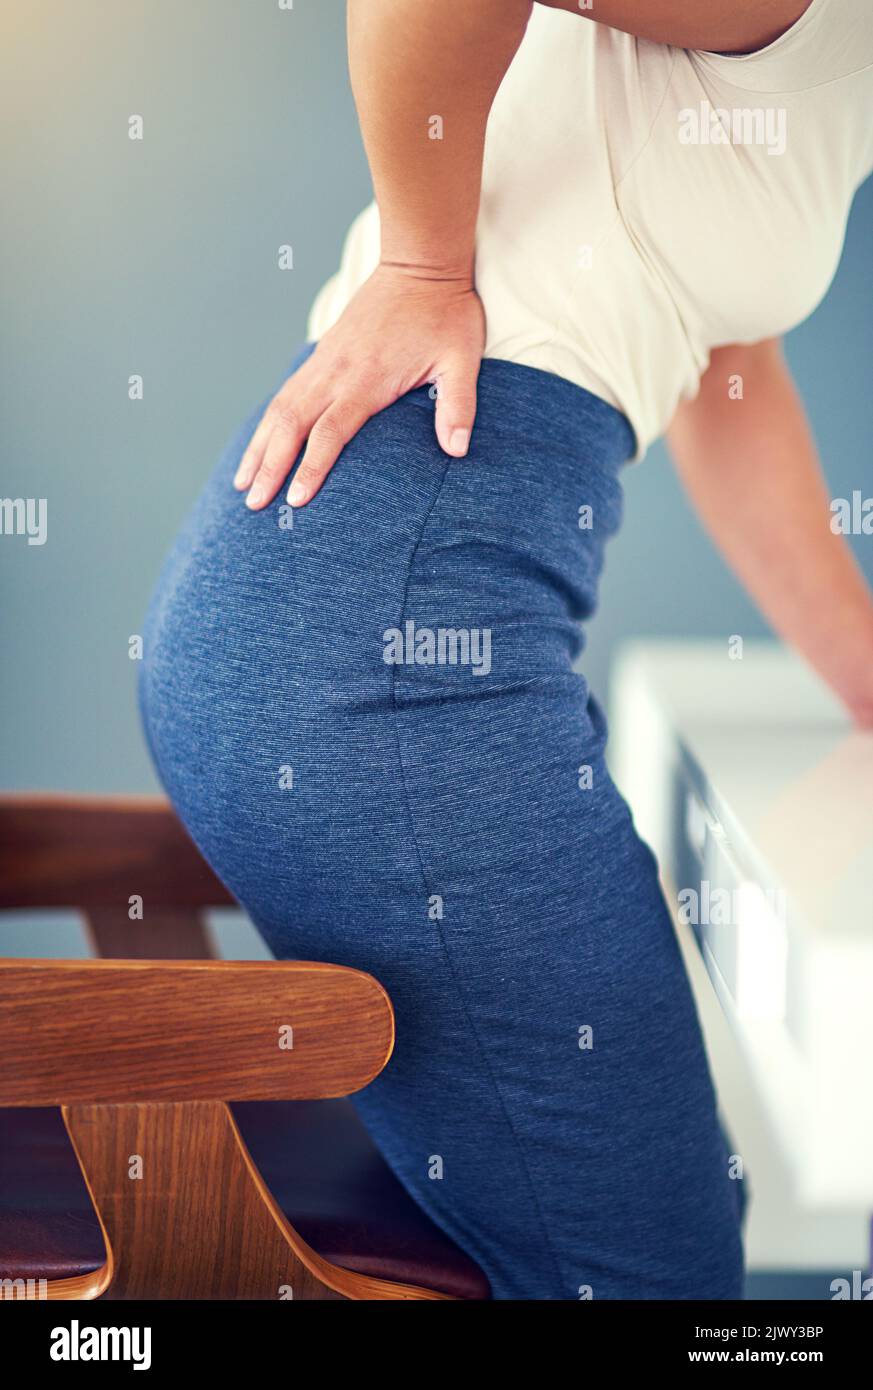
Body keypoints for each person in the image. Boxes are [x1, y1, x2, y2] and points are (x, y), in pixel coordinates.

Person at [140, 0, 873, 1298]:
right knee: (657, 1272)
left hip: (335, 631)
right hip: (376, 656)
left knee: (648, 1217)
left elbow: (728, 373)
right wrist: (424, 267)